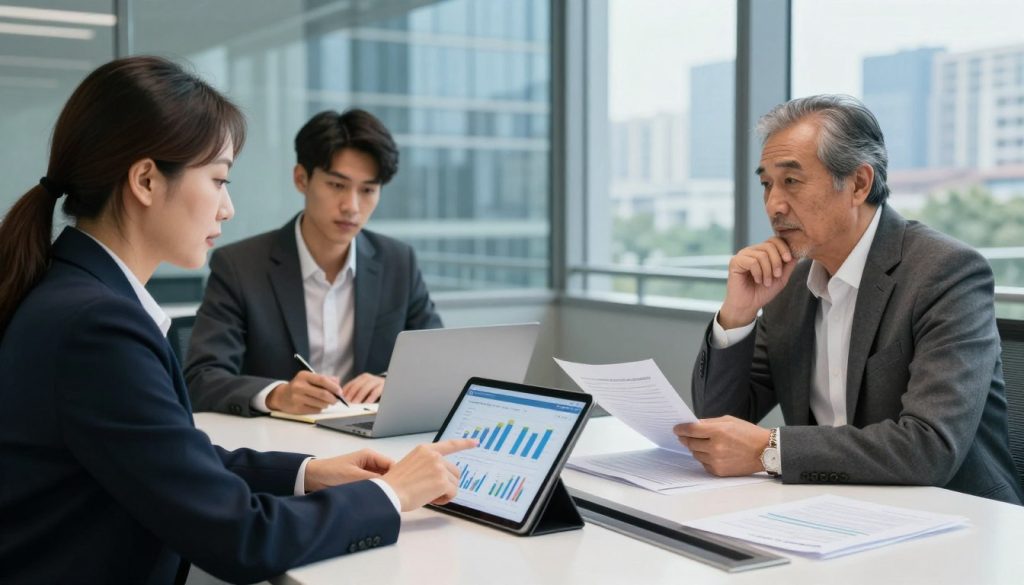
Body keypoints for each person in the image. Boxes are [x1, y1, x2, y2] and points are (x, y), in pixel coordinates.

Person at [0, 56, 474, 584]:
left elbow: (169, 454)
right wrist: (391, 494)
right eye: (219, 180)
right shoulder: (97, 328)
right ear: (146, 180)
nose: (227, 208)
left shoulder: (77, 295)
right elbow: (243, 538)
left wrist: (306, 473)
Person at [673, 94, 1023, 504]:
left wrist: (769, 449)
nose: (773, 204)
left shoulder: (945, 272)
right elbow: (720, 420)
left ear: (859, 183)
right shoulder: (790, 282)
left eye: (792, 181)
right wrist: (738, 314)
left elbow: (930, 447)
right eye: (766, 184)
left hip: (951, 514)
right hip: (830, 506)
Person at [184, 108, 441, 417]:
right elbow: (201, 378)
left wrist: (392, 383)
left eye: (368, 190)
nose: (352, 206)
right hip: (278, 445)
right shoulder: (240, 266)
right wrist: (278, 395)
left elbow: (437, 363)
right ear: (301, 179)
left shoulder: (399, 262)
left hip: (368, 440)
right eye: (337, 185)